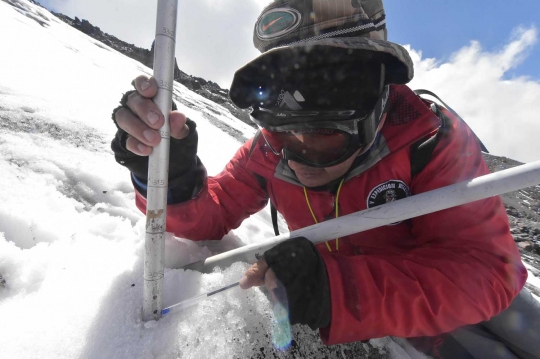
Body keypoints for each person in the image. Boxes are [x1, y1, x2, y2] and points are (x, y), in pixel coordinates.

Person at [111, 1, 539, 357]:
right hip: (383, 323)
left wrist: (337, 290)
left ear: (375, 103)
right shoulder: (269, 151)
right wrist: (171, 174)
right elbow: (209, 218)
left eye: (325, 133)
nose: (297, 155)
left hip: (468, 306)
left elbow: (489, 272)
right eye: (280, 126)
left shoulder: (428, 140)